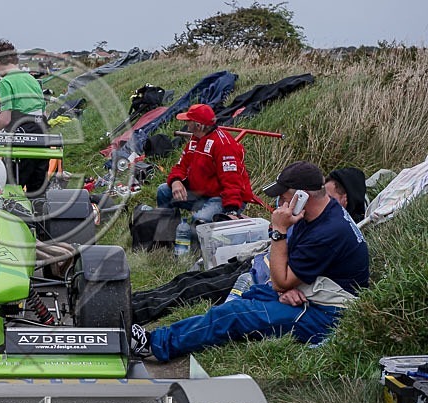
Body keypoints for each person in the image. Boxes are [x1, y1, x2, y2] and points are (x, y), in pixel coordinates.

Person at [137, 161, 370, 362]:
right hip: (312, 292)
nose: (279, 202)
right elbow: (284, 275)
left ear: (302, 197)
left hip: (329, 313)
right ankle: (163, 335)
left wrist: (278, 231)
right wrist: (285, 289)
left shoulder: (328, 231)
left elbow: (280, 280)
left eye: (283, 197)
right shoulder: (313, 215)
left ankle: (154, 343)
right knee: (250, 296)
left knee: (236, 314)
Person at [156, 103, 255, 223]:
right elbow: (180, 166)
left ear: (198, 125)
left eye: (189, 121)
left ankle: (192, 233)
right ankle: (166, 234)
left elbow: (232, 181)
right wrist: (176, 181)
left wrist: (231, 211)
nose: (186, 123)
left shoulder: (224, 145)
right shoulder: (195, 139)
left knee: (199, 220)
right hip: (201, 194)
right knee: (163, 191)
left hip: (221, 199)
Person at [0, 39, 49, 197]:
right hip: (42, 131)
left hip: (22, 133)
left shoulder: (6, 82)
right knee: (38, 188)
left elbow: (5, 119)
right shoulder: (31, 79)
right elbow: (42, 110)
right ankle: (39, 219)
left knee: (11, 185)